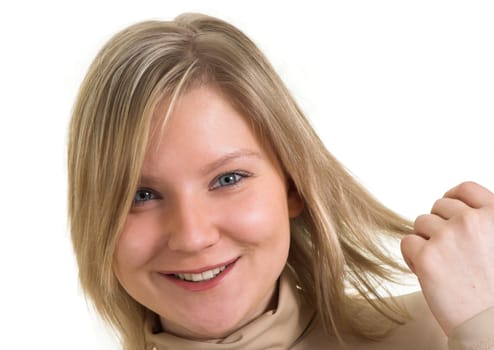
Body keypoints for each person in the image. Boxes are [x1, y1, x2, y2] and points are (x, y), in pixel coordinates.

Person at [67, 13, 494, 350]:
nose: (192, 237)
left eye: (228, 178)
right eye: (141, 195)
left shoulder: (443, 333)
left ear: (293, 185)